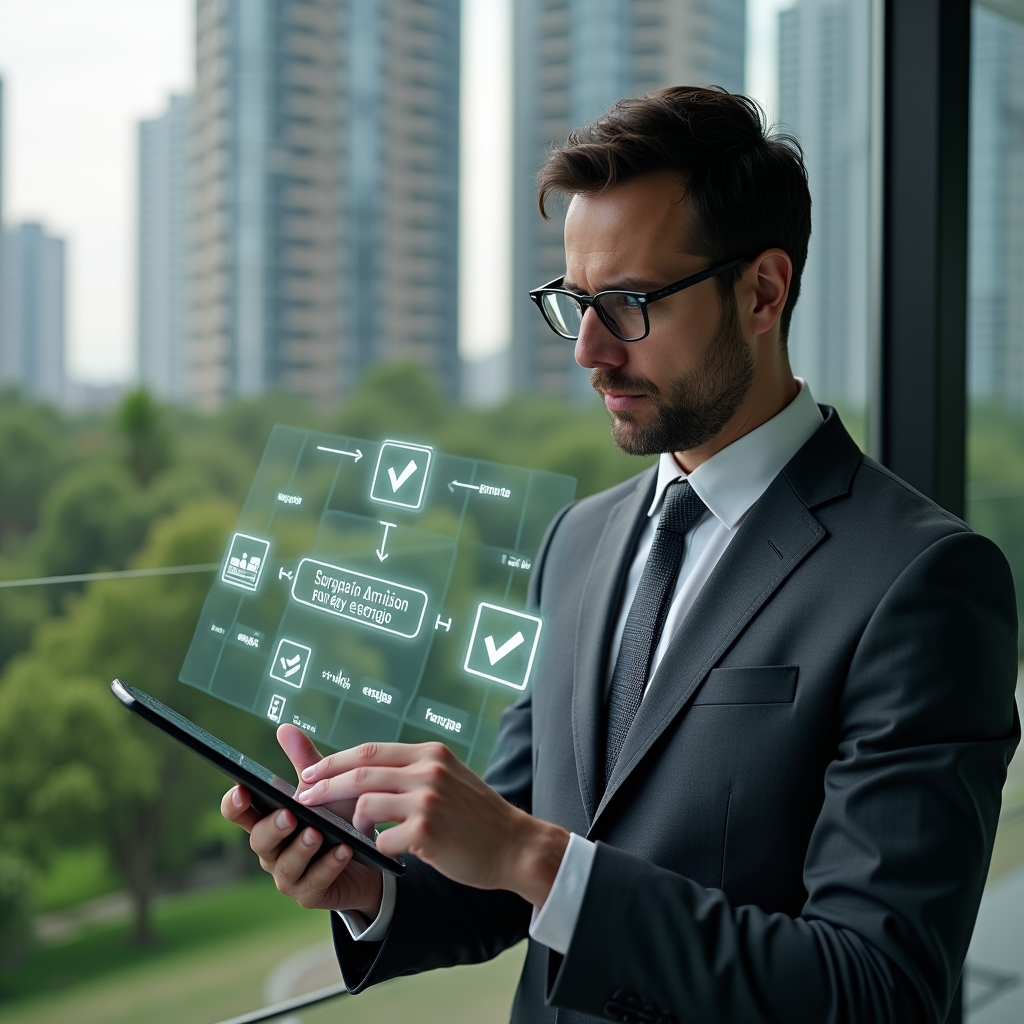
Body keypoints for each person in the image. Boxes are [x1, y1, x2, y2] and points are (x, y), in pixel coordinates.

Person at [222, 87, 1020, 1023]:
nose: (589, 351)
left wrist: (532, 855)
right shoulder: (578, 541)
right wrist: (368, 885)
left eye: (631, 302)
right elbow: (519, 863)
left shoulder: (922, 580)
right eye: (575, 302)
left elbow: (877, 990)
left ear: (763, 292)